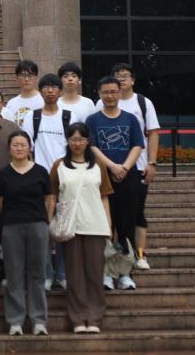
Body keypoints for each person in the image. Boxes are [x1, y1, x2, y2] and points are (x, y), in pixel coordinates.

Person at [49, 122, 114, 334]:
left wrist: (108, 225)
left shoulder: (98, 166)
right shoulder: (59, 166)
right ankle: (78, 318)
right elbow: (52, 197)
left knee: (95, 273)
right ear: (67, 141)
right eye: (73, 139)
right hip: (70, 226)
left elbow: (104, 197)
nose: (77, 143)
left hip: (95, 224)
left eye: (81, 139)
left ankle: (94, 318)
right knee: (74, 275)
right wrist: (50, 222)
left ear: (88, 141)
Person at [86, 75, 144, 291]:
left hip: (129, 178)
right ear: (99, 94)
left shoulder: (130, 119)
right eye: (105, 92)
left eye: (113, 92)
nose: (109, 96)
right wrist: (112, 167)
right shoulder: (93, 120)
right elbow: (92, 147)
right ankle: (107, 273)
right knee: (104, 227)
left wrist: (124, 168)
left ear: (120, 93)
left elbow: (137, 145)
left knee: (126, 226)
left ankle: (126, 273)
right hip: (102, 178)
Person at [0, 130, 52, 336]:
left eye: (23, 144)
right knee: (14, 274)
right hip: (11, 226)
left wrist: (45, 221)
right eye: (15, 145)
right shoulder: (2, 175)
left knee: (38, 273)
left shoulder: (40, 171)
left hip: (38, 225)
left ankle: (39, 320)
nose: (19, 148)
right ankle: (15, 321)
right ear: (9, 148)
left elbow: (49, 199)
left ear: (30, 148)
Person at [111, 62, 160, 271]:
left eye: (125, 75)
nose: (121, 79)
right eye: (117, 75)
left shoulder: (143, 102)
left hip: (138, 168)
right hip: (111, 168)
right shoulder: (103, 102)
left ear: (133, 80)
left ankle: (140, 254)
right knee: (113, 214)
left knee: (137, 212)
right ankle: (116, 254)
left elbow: (153, 133)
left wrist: (152, 162)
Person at [31, 73, 77, 292]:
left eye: (54, 87)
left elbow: (75, 144)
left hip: (65, 177)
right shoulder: (32, 117)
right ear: (41, 91)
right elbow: (28, 147)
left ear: (60, 91)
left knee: (63, 229)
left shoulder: (69, 116)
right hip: (40, 179)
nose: (50, 90)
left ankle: (62, 274)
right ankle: (47, 274)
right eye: (46, 87)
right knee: (43, 230)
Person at [4, 60, 44, 130]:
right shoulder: (11, 104)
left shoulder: (44, 101)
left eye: (30, 75)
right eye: (23, 75)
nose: (26, 79)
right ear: (17, 78)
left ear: (36, 78)